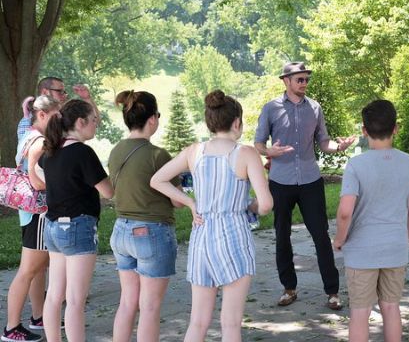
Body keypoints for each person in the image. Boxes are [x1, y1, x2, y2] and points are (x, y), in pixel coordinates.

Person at [150, 90, 273, 342]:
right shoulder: (247, 154)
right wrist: (249, 205)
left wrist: (189, 202)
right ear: (237, 122)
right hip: (234, 237)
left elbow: (157, 180)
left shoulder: (194, 151)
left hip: (202, 236)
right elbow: (266, 205)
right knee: (230, 325)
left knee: (197, 322)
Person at [253, 61, 355, 310]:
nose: (304, 83)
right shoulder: (271, 109)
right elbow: (258, 144)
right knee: (282, 237)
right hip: (281, 181)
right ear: (286, 81)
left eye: (306, 79)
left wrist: (338, 147)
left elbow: (324, 142)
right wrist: (269, 152)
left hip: (310, 180)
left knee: (321, 236)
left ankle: (332, 292)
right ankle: (289, 289)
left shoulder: (315, 108)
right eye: (300, 79)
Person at [332, 100, 409, 342]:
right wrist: (408, 238)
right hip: (396, 246)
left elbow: (345, 212)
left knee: (360, 312)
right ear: (396, 128)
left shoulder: (356, 165)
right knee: (391, 308)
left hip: (362, 250)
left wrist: (339, 240)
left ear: (364, 130)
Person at [109, 91, 182, 342]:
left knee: (127, 302)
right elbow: (176, 201)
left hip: (121, 231)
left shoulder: (116, 150)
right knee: (150, 307)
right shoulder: (157, 155)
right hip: (152, 232)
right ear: (152, 119)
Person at [40, 99, 114, 342]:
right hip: (77, 227)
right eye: (94, 121)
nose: (96, 125)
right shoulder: (83, 152)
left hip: (52, 227)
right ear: (81, 122)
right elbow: (108, 191)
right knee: (74, 300)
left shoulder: (51, 150)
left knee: (54, 295)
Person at [3, 95, 60, 342]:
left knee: (36, 269)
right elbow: (37, 181)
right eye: (56, 117)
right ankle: (11, 328)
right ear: (43, 115)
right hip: (38, 213)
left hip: (31, 214)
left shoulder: (28, 133)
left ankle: (37, 318)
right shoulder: (39, 141)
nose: (59, 121)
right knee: (27, 271)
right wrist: (60, 186)